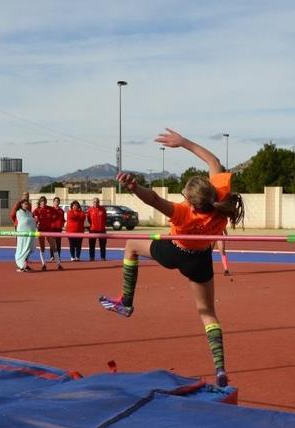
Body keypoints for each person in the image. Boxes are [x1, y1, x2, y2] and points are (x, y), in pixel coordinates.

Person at [98, 129, 245, 388]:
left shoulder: (183, 213)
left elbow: (153, 198)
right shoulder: (220, 199)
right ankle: (220, 368)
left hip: (174, 251)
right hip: (200, 259)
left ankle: (127, 302)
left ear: (189, 200)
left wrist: (133, 186)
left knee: (131, 245)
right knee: (208, 313)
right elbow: (213, 161)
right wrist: (185, 142)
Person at [32, 196, 62, 271]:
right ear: (39, 202)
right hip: (41, 230)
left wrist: (52, 220)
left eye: (44, 201)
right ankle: (43, 264)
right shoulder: (36, 210)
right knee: (42, 248)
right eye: (42, 201)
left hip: (49, 230)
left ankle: (58, 264)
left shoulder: (50, 209)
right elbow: (32, 218)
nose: (43, 203)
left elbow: (58, 215)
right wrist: (36, 223)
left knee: (53, 247)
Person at [14, 199, 35, 272]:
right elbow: (24, 221)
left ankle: (25, 265)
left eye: (27, 204)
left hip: (30, 234)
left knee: (28, 249)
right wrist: (33, 220)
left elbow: (32, 221)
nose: (27, 205)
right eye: (25, 204)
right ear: (21, 204)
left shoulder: (29, 213)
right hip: (23, 234)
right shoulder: (19, 212)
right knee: (22, 249)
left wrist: (34, 220)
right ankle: (21, 266)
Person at [50, 197, 65, 261]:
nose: (57, 202)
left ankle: (58, 256)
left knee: (58, 243)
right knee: (52, 243)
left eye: (58, 201)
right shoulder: (50, 210)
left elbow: (63, 219)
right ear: (53, 202)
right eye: (55, 201)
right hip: (52, 229)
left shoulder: (61, 210)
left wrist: (62, 225)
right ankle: (52, 256)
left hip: (59, 229)